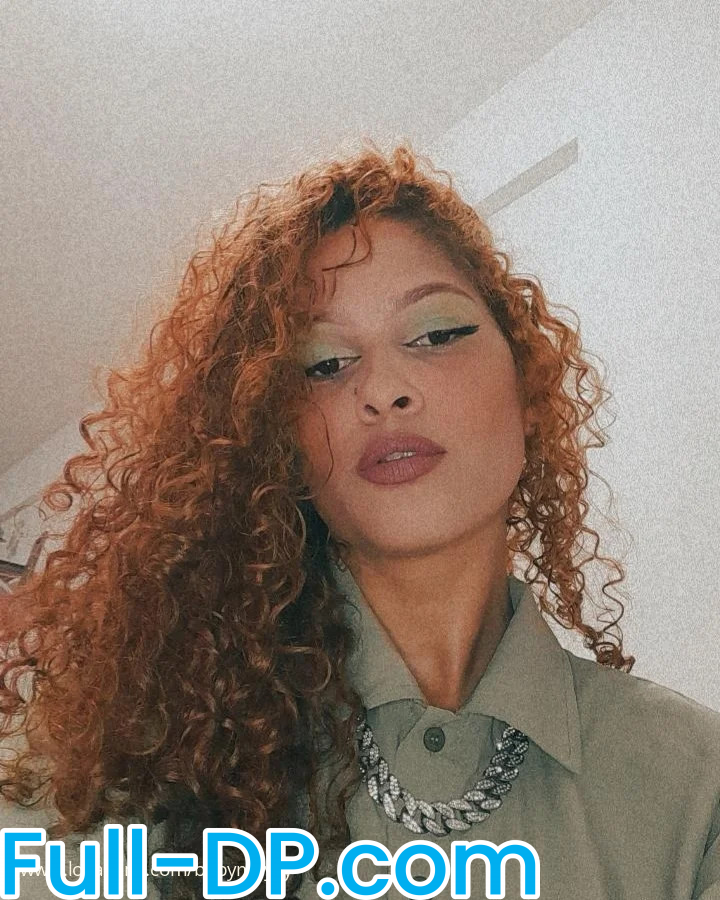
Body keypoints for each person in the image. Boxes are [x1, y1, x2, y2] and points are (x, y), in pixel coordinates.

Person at [1, 142, 719, 900]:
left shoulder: (695, 786)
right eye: (323, 365)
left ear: (529, 384)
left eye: (437, 334)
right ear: (277, 447)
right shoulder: (111, 760)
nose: (383, 389)